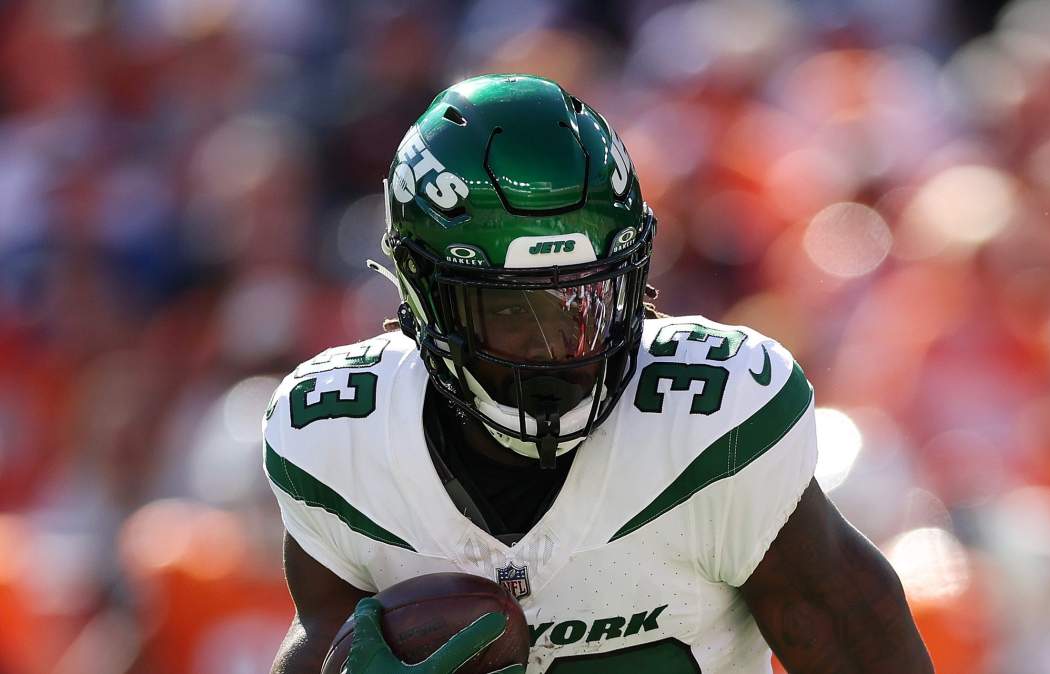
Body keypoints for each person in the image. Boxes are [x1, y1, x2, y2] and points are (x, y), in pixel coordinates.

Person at [265, 74, 933, 674]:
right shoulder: (339, 442)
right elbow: (318, 645)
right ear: (423, 293)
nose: (556, 349)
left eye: (585, 300)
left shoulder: (714, 425)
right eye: (509, 309)